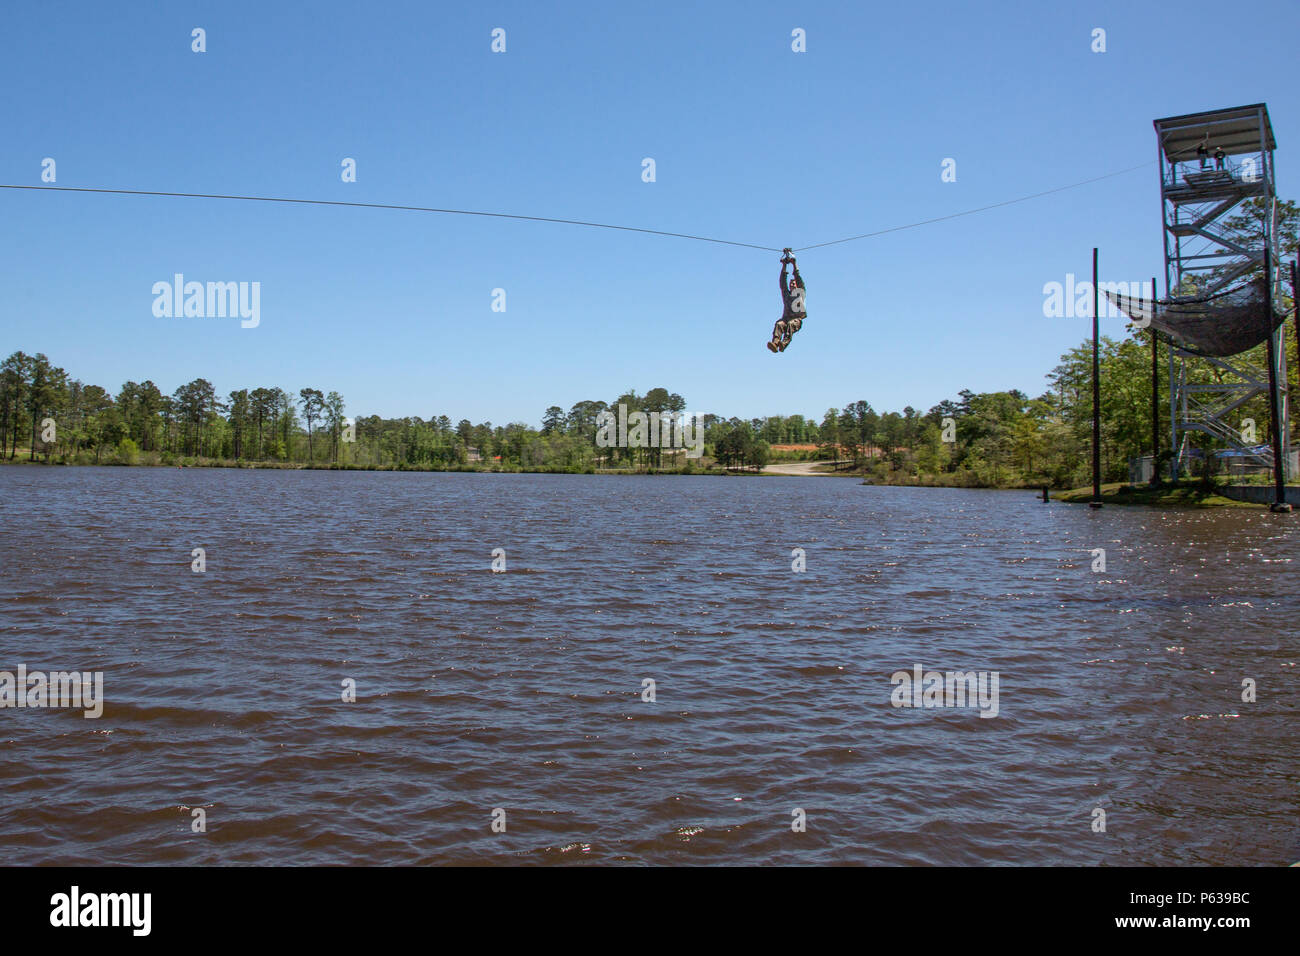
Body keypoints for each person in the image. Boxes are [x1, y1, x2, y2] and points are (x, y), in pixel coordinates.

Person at [767, 249, 806, 353]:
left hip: (796, 320)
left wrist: (794, 263)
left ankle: (783, 344)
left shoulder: (800, 292)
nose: (792, 284)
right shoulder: (787, 294)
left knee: (791, 324)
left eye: (794, 283)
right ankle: (775, 343)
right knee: (779, 324)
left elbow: (797, 277)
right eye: (791, 284)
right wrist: (784, 265)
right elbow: (782, 282)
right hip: (785, 319)